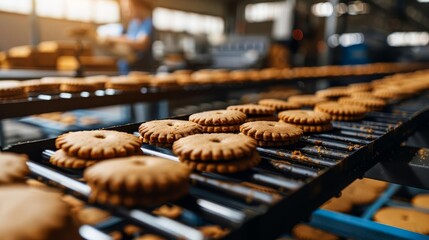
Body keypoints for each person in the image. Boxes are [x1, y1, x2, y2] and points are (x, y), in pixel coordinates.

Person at [106, 0, 154, 74]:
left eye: (128, 8)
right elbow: (129, 40)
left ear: (137, 6)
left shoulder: (147, 23)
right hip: (126, 69)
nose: (126, 12)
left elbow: (141, 44)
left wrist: (116, 39)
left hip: (141, 70)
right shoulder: (133, 24)